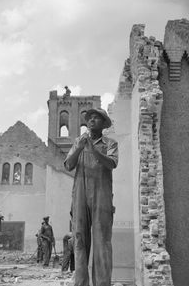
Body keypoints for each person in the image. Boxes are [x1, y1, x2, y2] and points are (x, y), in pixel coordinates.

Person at [64, 108, 118, 286]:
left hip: (101, 197)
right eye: (90, 118)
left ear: (103, 124)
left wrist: (93, 150)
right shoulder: (78, 142)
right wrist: (79, 148)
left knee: (102, 242)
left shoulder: (110, 143)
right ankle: (80, 283)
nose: (92, 120)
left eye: (96, 118)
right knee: (79, 240)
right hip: (80, 196)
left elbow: (111, 163)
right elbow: (68, 165)